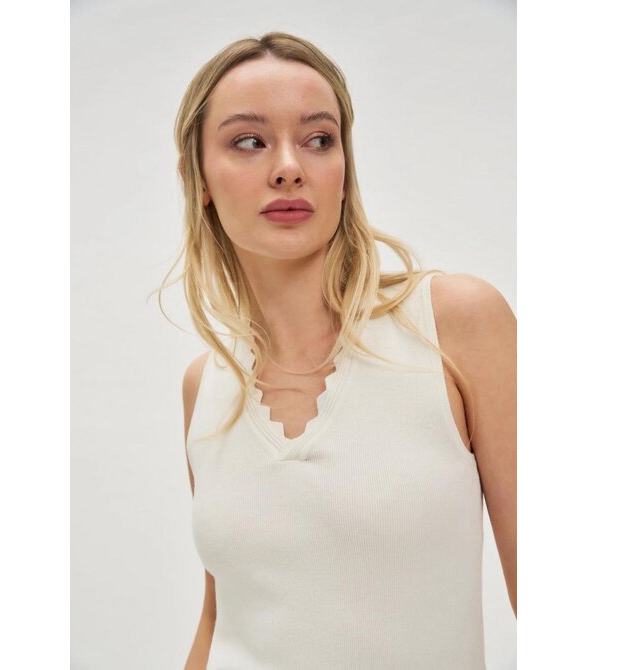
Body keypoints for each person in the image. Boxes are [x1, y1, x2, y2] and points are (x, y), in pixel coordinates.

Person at [163, 31, 516, 670]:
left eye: (319, 139)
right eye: (249, 141)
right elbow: (221, 617)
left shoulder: (454, 326)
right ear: (199, 179)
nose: (288, 166)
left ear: (344, 171)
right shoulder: (204, 387)